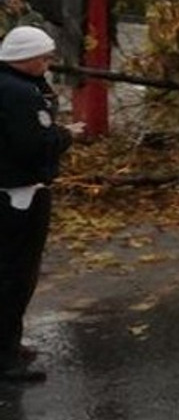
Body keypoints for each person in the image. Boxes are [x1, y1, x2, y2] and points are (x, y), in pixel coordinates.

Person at [0, 26, 76, 383]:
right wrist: (65, 136)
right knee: (16, 275)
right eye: (43, 57)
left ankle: (8, 343)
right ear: (25, 58)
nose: (47, 63)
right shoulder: (20, 94)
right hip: (20, 194)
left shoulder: (11, 85)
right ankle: (5, 357)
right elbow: (35, 143)